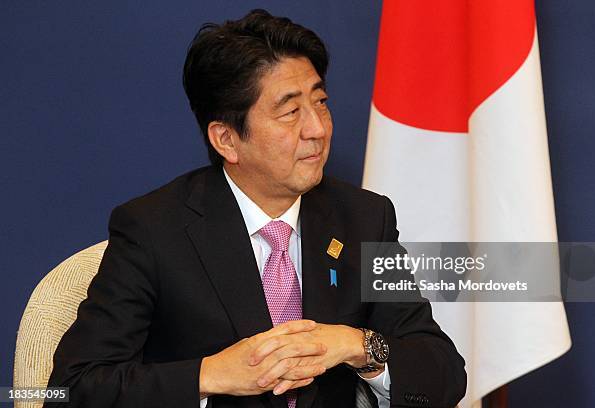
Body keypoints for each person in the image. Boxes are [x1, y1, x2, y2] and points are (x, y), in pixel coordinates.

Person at [45, 9, 466, 408]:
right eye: (289, 112)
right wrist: (210, 375)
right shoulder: (154, 229)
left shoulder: (364, 218)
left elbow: (444, 372)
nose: (317, 129)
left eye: (320, 102)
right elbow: (72, 388)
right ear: (227, 139)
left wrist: (357, 345)